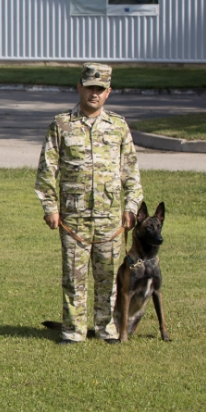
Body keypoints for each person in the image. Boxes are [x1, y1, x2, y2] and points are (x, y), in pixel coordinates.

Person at [35, 62, 143, 344]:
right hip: (74, 218)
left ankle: (107, 329)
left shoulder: (118, 126)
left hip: (110, 219)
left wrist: (131, 208)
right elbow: (47, 170)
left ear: (108, 92)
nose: (94, 93)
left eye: (100, 89)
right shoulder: (61, 125)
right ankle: (74, 331)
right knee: (74, 278)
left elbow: (131, 172)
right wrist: (50, 208)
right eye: (89, 87)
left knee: (109, 279)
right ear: (79, 88)